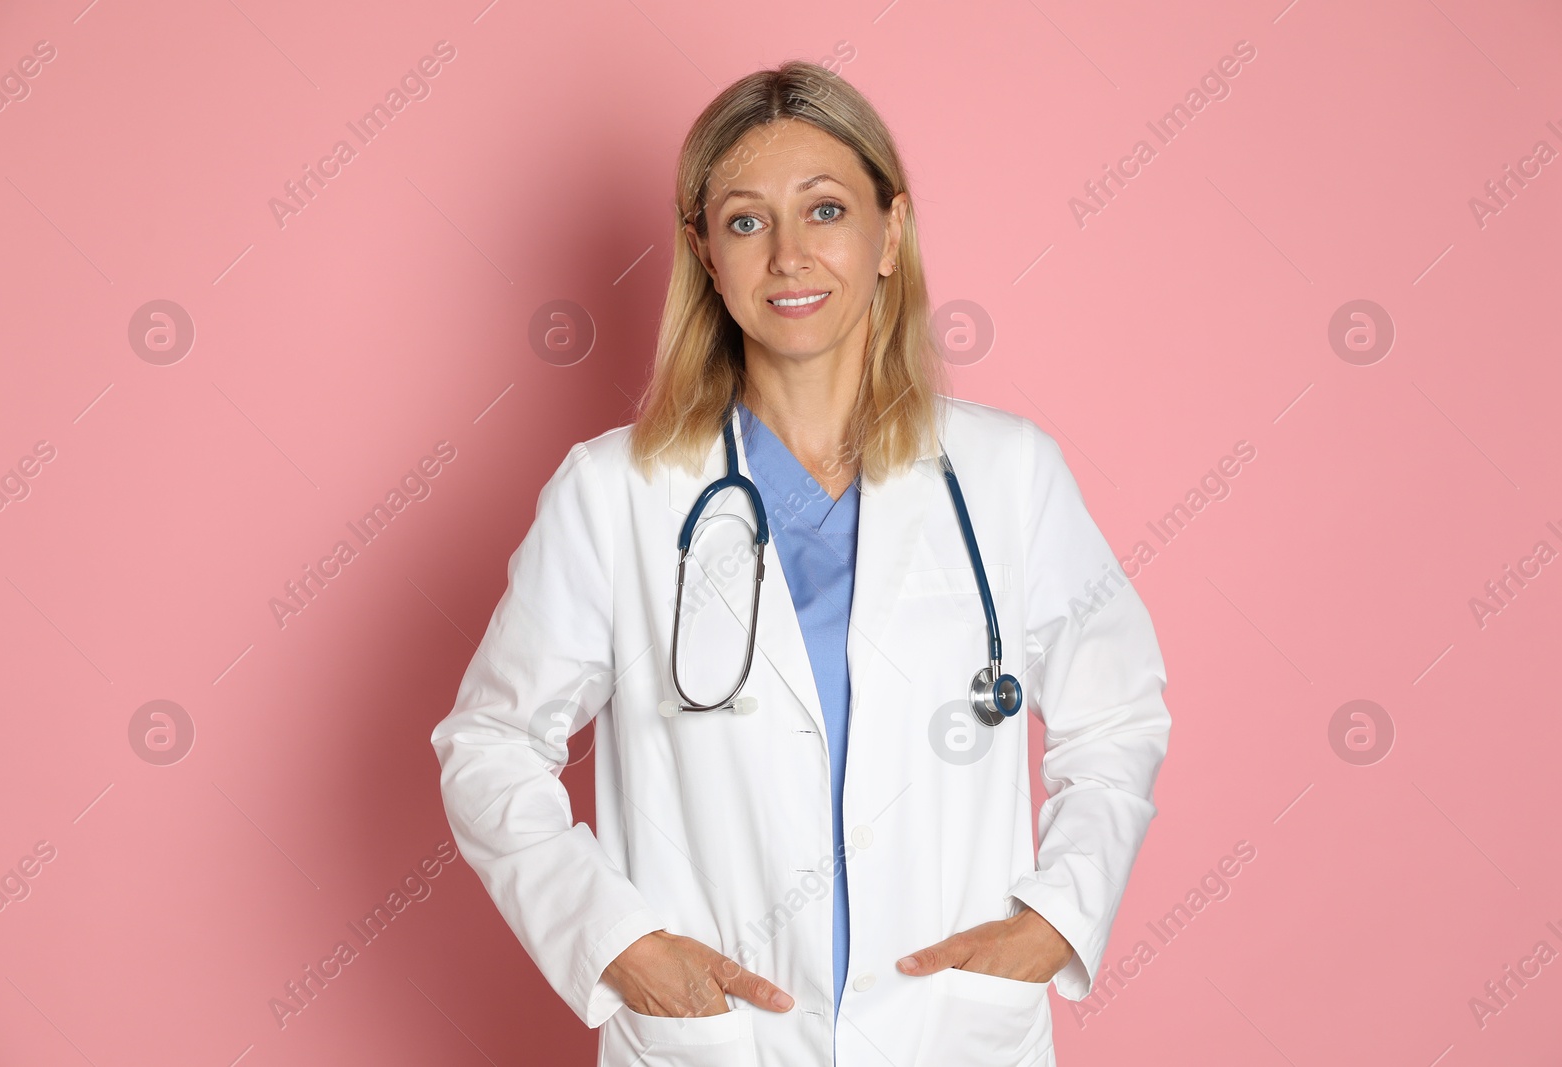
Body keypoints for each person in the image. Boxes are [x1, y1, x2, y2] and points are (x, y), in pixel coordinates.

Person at [431, 59, 1170, 1067]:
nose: (787, 255)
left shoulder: (1008, 475)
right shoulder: (615, 493)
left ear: (888, 233)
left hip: (947, 1031)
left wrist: (1055, 917)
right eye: (745, 221)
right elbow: (491, 741)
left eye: (824, 209)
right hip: (718, 1039)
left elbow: (1118, 713)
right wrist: (621, 944)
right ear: (704, 251)